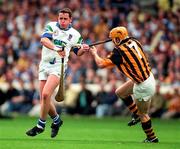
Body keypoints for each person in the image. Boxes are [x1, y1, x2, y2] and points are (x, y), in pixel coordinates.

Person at [26, 8, 90, 138]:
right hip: (44, 65)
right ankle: (57, 121)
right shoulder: (51, 26)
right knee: (44, 99)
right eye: (60, 18)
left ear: (70, 20)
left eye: (65, 19)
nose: (62, 21)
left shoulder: (75, 34)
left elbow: (78, 52)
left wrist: (84, 49)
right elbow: (44, 40)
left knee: (45, 94)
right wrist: (56, 48)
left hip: (58, 67)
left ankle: (40, 125)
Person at [90, 26, 159, 143]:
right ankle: (136, 113)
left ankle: (152, 137)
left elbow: (101, 64)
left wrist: (94, 53)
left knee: (144, 114)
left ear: (117, 39)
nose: (112, 41)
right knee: (120, 92)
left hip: (143, 84)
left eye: (113, 39)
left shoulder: (119, 51)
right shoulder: (134, 41)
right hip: (146, 76)